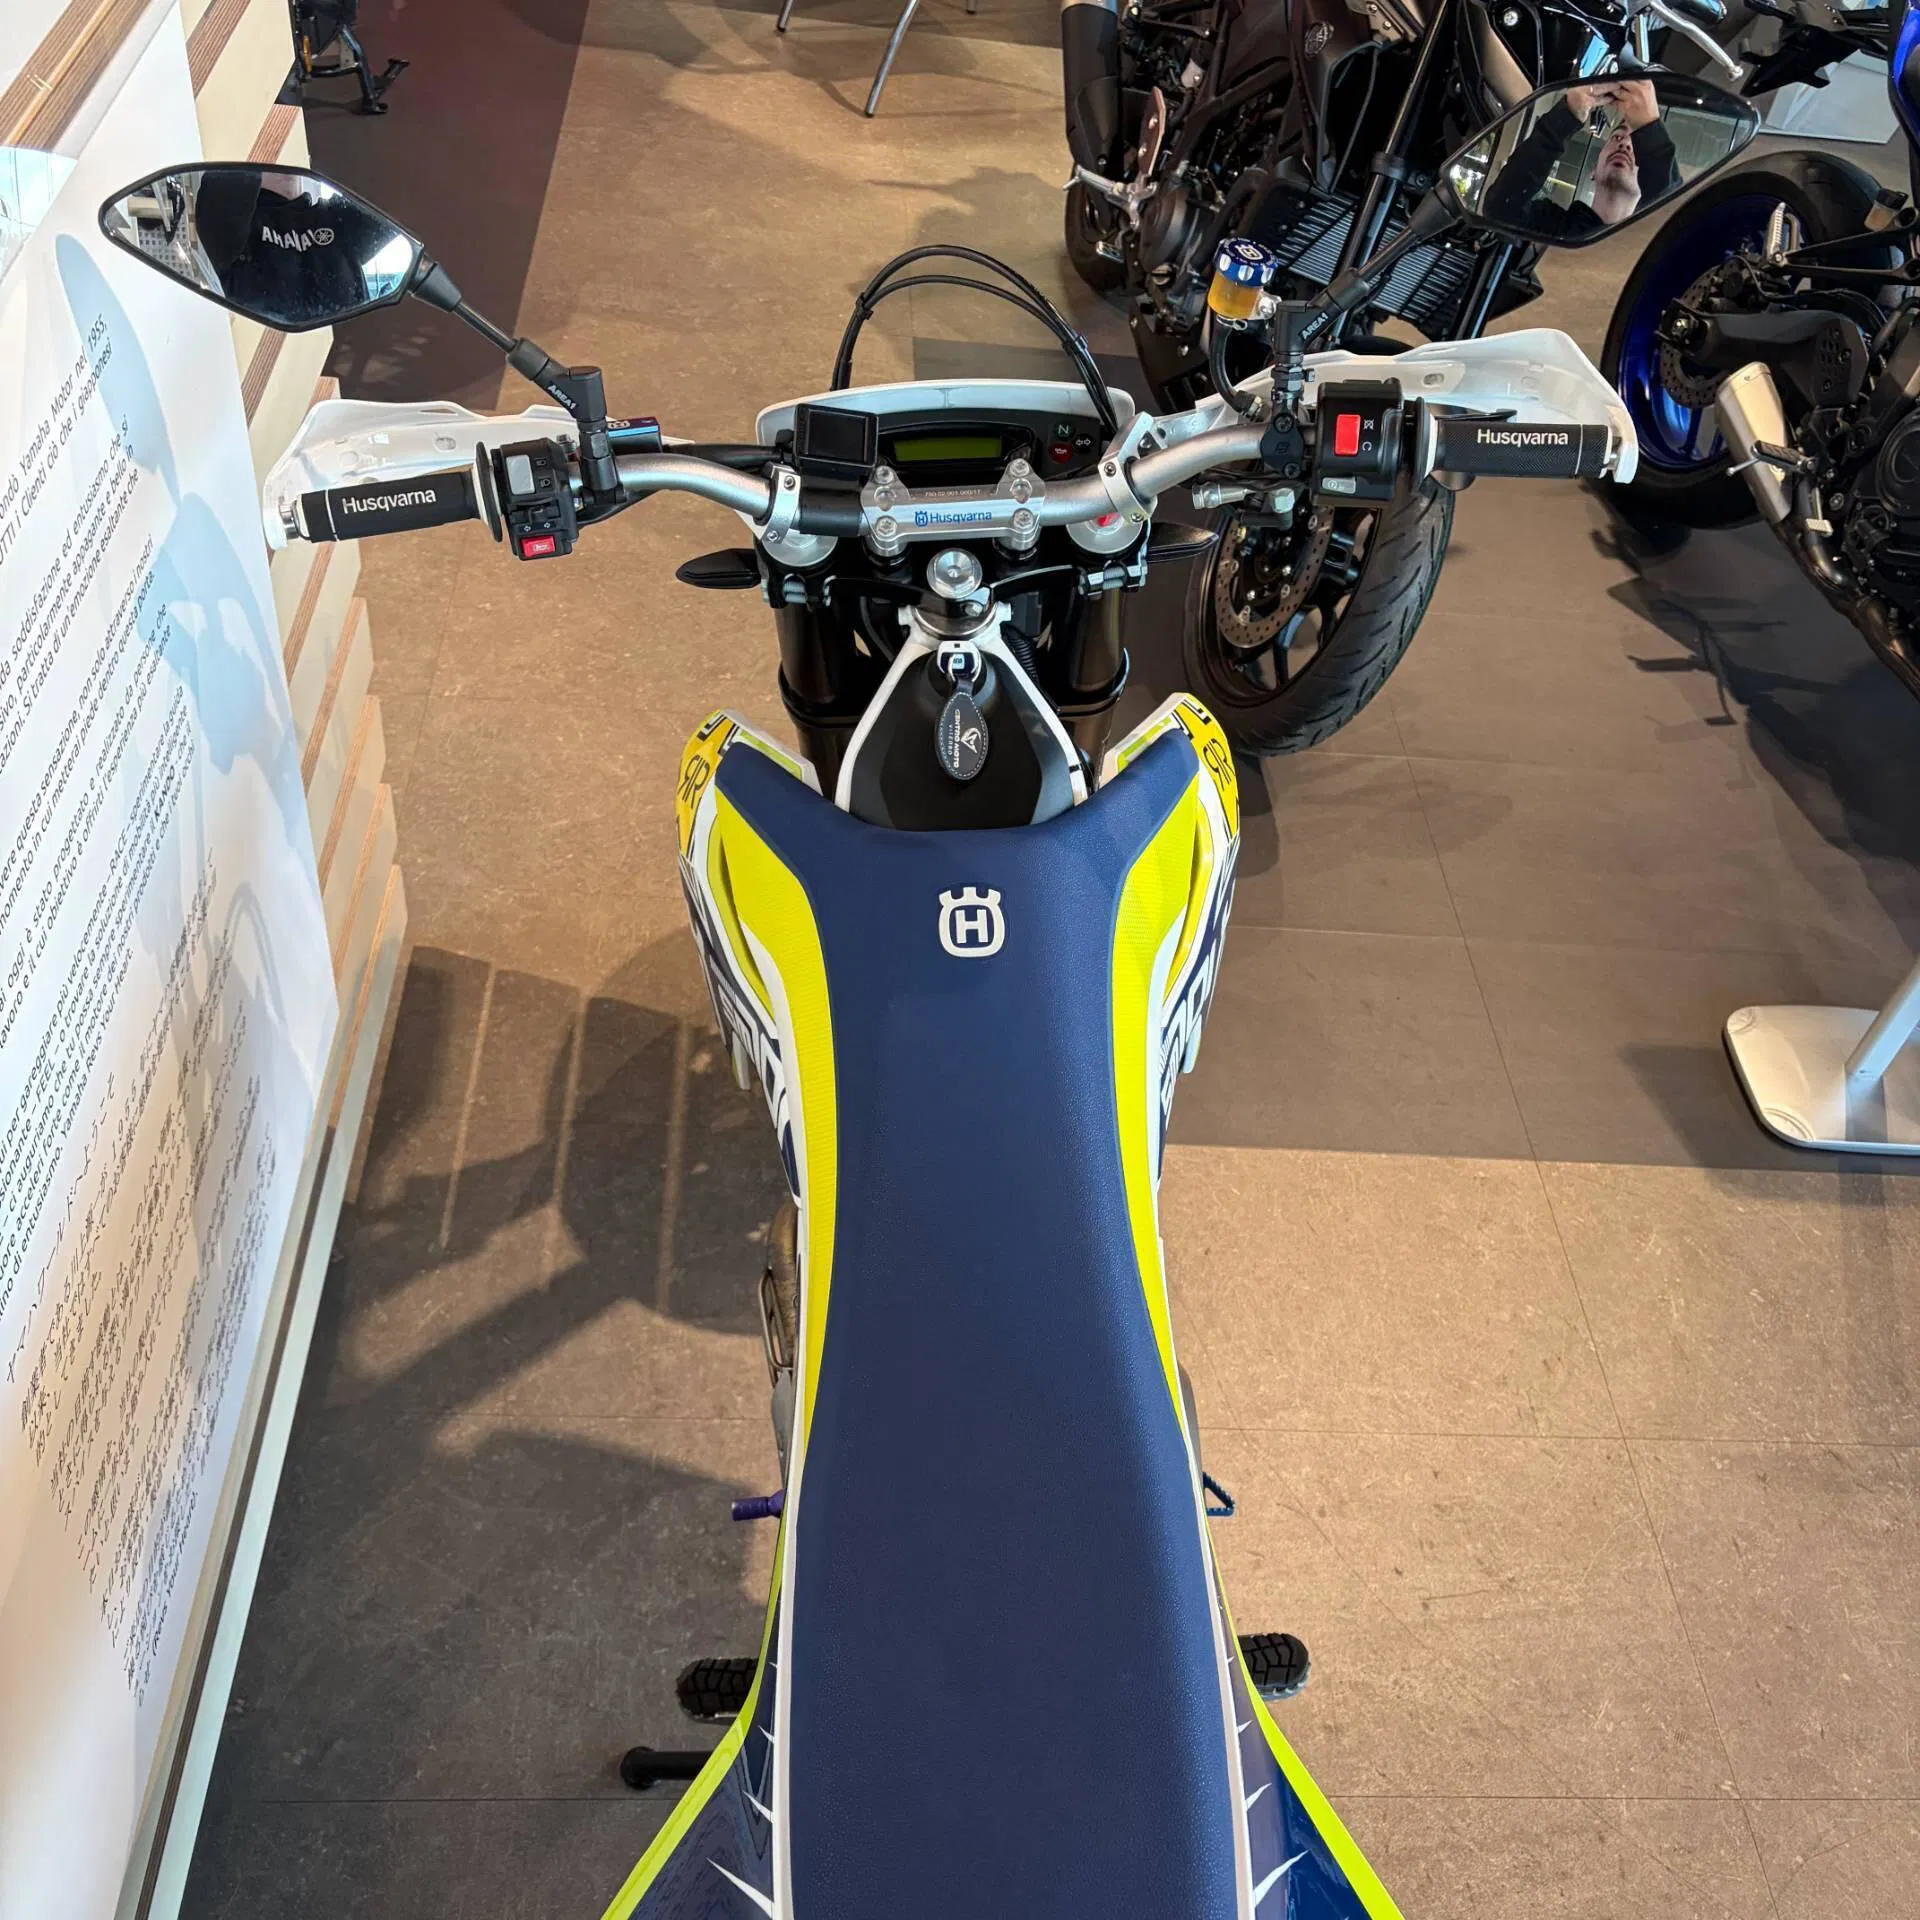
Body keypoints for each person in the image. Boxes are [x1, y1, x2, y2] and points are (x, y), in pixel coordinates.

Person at [1482, 79, 1681, 241]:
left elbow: (1674, 225)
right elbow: (1500, 209)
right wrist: (1569, 113)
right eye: (1617, 137)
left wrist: (1649, 128)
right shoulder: (1552, 226)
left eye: (1635, 144)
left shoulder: (1644, 250)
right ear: (1593, 169)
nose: (1625, 144)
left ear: (1647, 175)